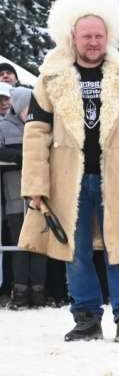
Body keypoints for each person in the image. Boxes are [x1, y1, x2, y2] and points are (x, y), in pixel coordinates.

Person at [19, 0, 119, 343]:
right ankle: (85, 317)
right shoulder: (51, 77)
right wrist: (35, 185)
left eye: (99, 35)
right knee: (76, 251)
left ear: (108, 36)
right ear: (73, 36)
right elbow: (36, 133)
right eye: (87, 35)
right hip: (70, 180)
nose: (94, 42)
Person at [2, 86, 47, 308]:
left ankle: (39, 290)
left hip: (38, 196)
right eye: (27, 107)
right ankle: (19, 290)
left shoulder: (42, 127)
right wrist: (23, 157)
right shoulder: (3, 127)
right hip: (14, 196)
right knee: (19, 245)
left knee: (39, 244)